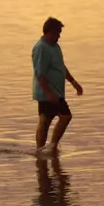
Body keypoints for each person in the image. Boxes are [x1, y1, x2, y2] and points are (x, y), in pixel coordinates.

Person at [32, 17, 83, 152]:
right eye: (58, 33)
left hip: (57, 91)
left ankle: (50, 147)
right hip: (47, 93)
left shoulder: (55, 46)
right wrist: (49, 93)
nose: (59, 36)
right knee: (49, 120)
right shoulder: (41, 48)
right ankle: (43, 148)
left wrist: (73, 82)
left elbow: (61, 67)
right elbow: (40, 73)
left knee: (51, 119)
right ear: (50, 32)